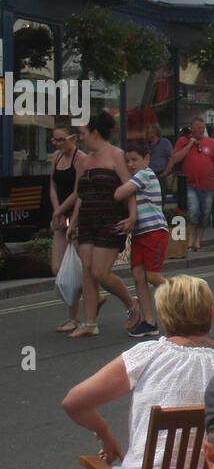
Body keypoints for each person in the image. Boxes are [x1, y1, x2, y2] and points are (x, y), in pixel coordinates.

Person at [63, 276, 214, 469]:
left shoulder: (149, 355)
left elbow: (73, 402)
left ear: (163, 316)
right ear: (210, 314)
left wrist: (105, 435)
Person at [66, 110, 139, 339]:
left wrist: (132, 216)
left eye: (82, 134)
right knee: (87, 272)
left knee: (99, 271)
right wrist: (73, 222)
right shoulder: (84, 161)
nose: (80, 138)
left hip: (110, 219)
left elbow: (130, 188)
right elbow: (80, 194)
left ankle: (132, 304)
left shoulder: (117, 155)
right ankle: (89, 323)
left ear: (95, 133)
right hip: (87, 220)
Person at [114, 141, 169, 337]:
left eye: (134, 160)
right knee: (138, 277)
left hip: (154, 231)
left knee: (152, 276)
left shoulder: (145, 174)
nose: (130, 164)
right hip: (140, 233)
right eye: (127, 161)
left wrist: (122, 177)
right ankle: (149, 321)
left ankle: (184, 298)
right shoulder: (136, 176)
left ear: (147, 159)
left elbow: (119, 193)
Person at [167, 116, 214, 253]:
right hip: (190, 184)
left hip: (208, 184)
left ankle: (198, 240)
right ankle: (190, 239)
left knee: (205, 213)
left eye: (203, 128)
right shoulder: (183, 141)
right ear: (191, 129)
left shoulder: (211, 143)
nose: (201, 130)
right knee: (193, 211)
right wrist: (189, 145)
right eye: (198, 128)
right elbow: (175, 158)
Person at [50, 121, 83, 333]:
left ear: (73, 138)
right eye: (54, 139)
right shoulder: (56, 157)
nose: (57, 143)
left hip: (76, 217)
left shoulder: (81, 159)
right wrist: (56, 211)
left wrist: (61, 211)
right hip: (60, 216)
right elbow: (52, 186)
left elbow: (78, 192)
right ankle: (94, 297)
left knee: (78, 269)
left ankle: (75, 318)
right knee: (58, 268)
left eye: (61, 139)